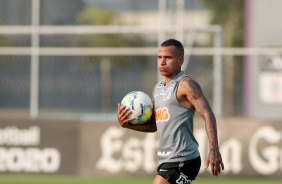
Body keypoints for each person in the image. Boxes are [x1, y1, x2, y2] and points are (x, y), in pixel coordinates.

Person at [117, 39, 224, 184]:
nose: (162, 62)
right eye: (159, 57)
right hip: (166, 159)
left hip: (183, 158)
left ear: (180, 60)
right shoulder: (158, 88)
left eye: (168, 58)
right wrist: (128, 124)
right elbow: (155, 125)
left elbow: (208, 114)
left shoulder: (186, 84)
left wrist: (214, 149)